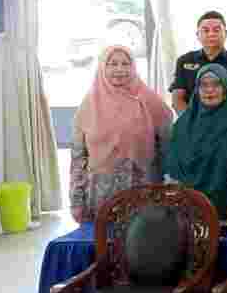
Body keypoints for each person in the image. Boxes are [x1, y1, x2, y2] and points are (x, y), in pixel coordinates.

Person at [70, 45, 174, 224]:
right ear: (103, 67)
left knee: (142, 248)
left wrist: (170, 194)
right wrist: (76, 201)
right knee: (104, 248)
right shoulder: (89, 106)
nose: (120, 69)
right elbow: (78, 158)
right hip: (100, 197)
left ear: (133, 67)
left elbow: (170, 153)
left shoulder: (152, 102)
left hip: (144, 195)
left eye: (126, 64)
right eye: (113, 64)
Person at [163, 63, 227, 224]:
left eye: (216, 84)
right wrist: (180, 205)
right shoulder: (183, 125)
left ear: (225, 88)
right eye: (204, 85)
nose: (209, 90)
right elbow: (172, 170)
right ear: (197, 89)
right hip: (189, 211)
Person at [169, 11, 227, 113]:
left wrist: (219, 124)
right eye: (205, 30)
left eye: (216, 30)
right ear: (198, 34)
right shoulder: (184, 61)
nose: (211, 34)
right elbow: (177, 99)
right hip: (193, 123)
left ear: (226, 34)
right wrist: (189, 122)